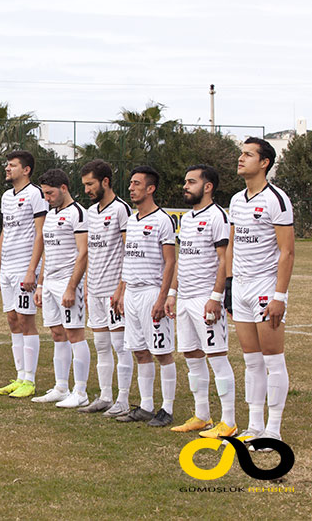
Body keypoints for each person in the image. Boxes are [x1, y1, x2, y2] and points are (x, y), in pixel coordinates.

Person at [226, 137, 294, 447]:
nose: (240, 159)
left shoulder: (276, 199)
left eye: (247, 155)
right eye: (241, 154)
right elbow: (232, 244)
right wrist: (228, 286)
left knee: (272, 359)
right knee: (251, 361)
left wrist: (279, 295)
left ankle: (273, 430)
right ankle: (253, 427)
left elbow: (288, 252)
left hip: (266, 288)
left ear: (264, 162)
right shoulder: (237, 200)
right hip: (240, 287)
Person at [164, 165, 236, 437]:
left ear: (208, 187)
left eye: (191, 182)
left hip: (206, 299)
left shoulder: (218, 216)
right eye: (185, 181)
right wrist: (172, 293)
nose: (185, 186)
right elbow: (182, 260)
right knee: (192, 356)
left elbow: (223, 260)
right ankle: (202, 415)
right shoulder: (188, 218)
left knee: (217, 357)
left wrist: (216, 297)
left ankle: (228, 421)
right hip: (185, 299)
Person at [115, 166, 177, 427]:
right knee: (140, 351)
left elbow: (170, 262)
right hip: (132, 293)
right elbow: (128, 257)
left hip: (152, 291)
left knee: (162, 352)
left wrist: (162, 298)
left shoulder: (163, 220)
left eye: (137, 183)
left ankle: (167, 408)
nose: (131, 188)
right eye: (130, 183)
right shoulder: (131, 219)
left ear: (150, 188)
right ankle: (146, 405)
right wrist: (122, 290)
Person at [79, 159, 134, 416]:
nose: (87, 190)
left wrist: (122, 289)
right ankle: (105, 396)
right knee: (101, 344)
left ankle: (123, 400)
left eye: (90, 184)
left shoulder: (121, 210)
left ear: (105, 182)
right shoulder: (91, 212)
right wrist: (88, 285)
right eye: (85, 185)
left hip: (115, 290)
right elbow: (91, 250)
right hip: (96, 288)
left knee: (120, 345)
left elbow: (129, 252)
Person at [30, 169, 89, 406]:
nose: (47, 198)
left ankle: (81, 393)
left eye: (50, 193)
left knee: (75, 334)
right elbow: (47, 253)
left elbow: (83, 253)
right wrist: (41, 285)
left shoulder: (78, 214)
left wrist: (71, 287)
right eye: (44, 193)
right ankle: (61, 387)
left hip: (68, 283)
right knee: (57, 334)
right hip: (50, 283)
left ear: (64, 188)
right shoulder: (50, 214)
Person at [0, 150, 47, 397]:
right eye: (7, 164)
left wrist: (32, 270)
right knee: (12, 320)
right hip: (7, 268)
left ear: (26, 170)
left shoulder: (35, 194)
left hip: (25, 266)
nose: (7, 168)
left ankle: (30, 381)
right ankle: (19, 376)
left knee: (26, 321)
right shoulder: (6, 196)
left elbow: (40, 233)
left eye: (12, 165)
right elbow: (4, 231)